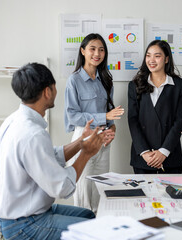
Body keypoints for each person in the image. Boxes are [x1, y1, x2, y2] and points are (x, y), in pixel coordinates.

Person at [0, 63, 105, 239]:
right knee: (93, 231)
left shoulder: (14, 120)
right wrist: (86, 154)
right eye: (55, 86)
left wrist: (81, 142)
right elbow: (63, 189)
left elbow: (49, 156)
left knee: (88, 216)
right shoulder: (33, 134)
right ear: (47, 91)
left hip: (22, 212)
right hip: (24, 224)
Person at [64, 33, 124, 211]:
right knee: (83, 191)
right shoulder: (73, 80)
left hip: (104, 139)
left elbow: (109, 112)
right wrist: (105, 118)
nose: (97, 53)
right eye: (92, 49)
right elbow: (73, 116)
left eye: (101, 50)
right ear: (83, 51)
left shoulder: (107, 80)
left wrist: (112, 128)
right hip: (84, 136)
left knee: (101, 188)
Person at [128, 40, 182, 174]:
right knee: (144, 194)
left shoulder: (180, 85)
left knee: (169, 194)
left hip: (170, 155)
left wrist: (163, 151)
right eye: (148, 55)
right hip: (143, 157)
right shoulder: (134, 85)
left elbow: (179, 121)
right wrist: (144, 152)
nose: (151, 60)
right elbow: (133, 120)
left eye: (157, 56)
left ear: (166, 59)